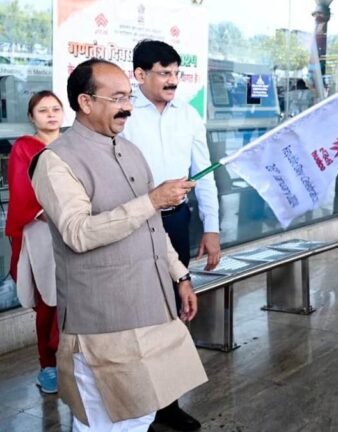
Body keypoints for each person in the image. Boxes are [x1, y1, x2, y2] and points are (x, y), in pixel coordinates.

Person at [30, 58, 207, 430]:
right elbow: (78, 233)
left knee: (143, 413)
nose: (127, 107)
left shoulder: (130, 151)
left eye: (128, 97)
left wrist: (180, 276)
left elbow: (152, 226)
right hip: (103, 321)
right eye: (117, 98)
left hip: (152, 306)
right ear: (85, 102)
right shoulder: (56, 161)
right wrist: (152, 201)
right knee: (106, 420)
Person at [121, 40, 218, 430]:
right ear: (140, 75)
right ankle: (134, 404)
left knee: (177, 308)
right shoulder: (124, 114)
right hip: (131, 224)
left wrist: (211, 228)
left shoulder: (188, 115)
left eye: (177, 73)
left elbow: (204, 173)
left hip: (175, 222)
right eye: (164, 73)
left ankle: (167, 405)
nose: (173, 80)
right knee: (137, 310)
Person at [6, 91, 63, 394]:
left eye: (55, 109)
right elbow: (22, 190)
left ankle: (73, 361)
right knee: (47, 302)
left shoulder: (73, 144)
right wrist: (53, 216)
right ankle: (48, 365)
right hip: (42, 231)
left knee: (76, 297)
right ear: (31, 117)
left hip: (78, 231)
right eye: (43, 110)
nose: (51, 115)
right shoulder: (24, 148)